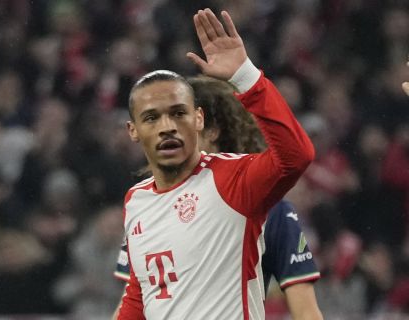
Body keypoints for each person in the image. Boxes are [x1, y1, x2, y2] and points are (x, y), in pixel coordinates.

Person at [117, 8, 314, 319]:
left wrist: (246, 77)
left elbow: (296, 156)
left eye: (178, 113)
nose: (167, 126)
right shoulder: (136, 200)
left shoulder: (234, 178)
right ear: (133, 131)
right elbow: (140, 297)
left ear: (198, 118)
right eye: (152, 118)